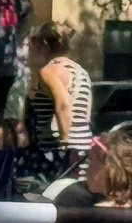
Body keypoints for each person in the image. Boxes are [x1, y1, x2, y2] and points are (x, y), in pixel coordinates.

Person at [22, 22, 92, 180]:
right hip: (84, 146)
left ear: (45, 44)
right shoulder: (81, 72)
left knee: (54, 201)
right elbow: (85, 114)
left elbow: (63, 104)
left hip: (58, 153)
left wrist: (65, 141)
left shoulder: (49, 71)